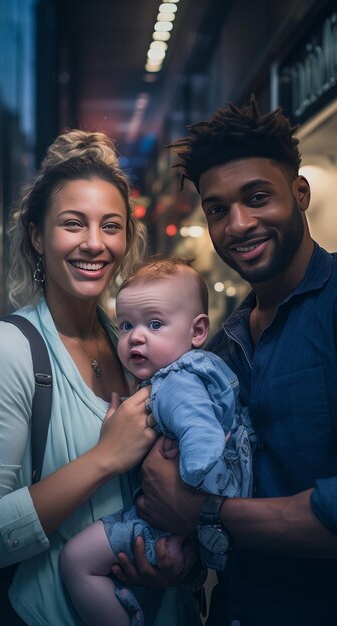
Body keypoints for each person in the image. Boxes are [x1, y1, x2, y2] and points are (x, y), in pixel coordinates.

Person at [117, 99, 337, 626]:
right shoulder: (222, 347)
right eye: (218, 209)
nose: (238, 224)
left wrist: (206, 514)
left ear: (301, 194)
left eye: (257, 197)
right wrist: (175, 560)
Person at [0, 130, 199, 625]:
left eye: (111, 226)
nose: (94, 244)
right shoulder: (4, 351)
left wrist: (179, 563)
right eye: (73, 224)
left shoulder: (135, 349)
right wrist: (105, 458)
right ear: (37, 236)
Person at [59, 256, 255, 626]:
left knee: (76, 561)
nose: (136, 336)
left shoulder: (178, 380)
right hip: (182, 522)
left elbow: (201, 431)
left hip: (165, 519)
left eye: (154, 324)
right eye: (126, 325)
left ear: (197, 332)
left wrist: (194, 469)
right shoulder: (186, 374)